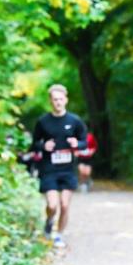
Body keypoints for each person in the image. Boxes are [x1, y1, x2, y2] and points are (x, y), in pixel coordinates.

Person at [32, 84, 88, 248]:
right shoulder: (43, 121)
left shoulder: (75, 121)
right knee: (52, 205)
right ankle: (49, 220)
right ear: (50, 101)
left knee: (64, 204)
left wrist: (77, 143)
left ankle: (59, 235)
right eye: (55, 99)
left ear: (66, 100)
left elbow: (85, 142)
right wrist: (43, 146)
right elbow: (34, 144)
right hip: (49, 169)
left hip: (67, 170)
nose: (58, 102)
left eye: (61, 99)